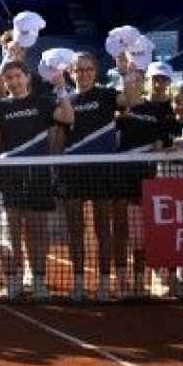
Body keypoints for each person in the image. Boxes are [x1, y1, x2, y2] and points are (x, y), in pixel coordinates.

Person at [53, 52, 133, 301]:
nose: (84, 73)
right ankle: (78, 283)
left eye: (89, 69)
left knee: (103, 229)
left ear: (95, 72)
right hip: (73, 172)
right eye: (79, 69)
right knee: (75, 230)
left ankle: (104, 282)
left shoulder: (107, 95)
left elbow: (132, 98)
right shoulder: (65, 100)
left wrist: (126, 71)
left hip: (102, 172)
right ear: (71, 72)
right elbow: (58, 137)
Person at [0, 58, 62, 300]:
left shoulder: (43, 103)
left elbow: (67, 118)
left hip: (38, 175)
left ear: (27, 77)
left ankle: (38, 280)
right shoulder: (1, 107)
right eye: (8, 77)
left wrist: (61, 86)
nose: (14, 81)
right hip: (9, 176)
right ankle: (13, 281)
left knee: (37, 231)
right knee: (10, 232)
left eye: (17, 76)